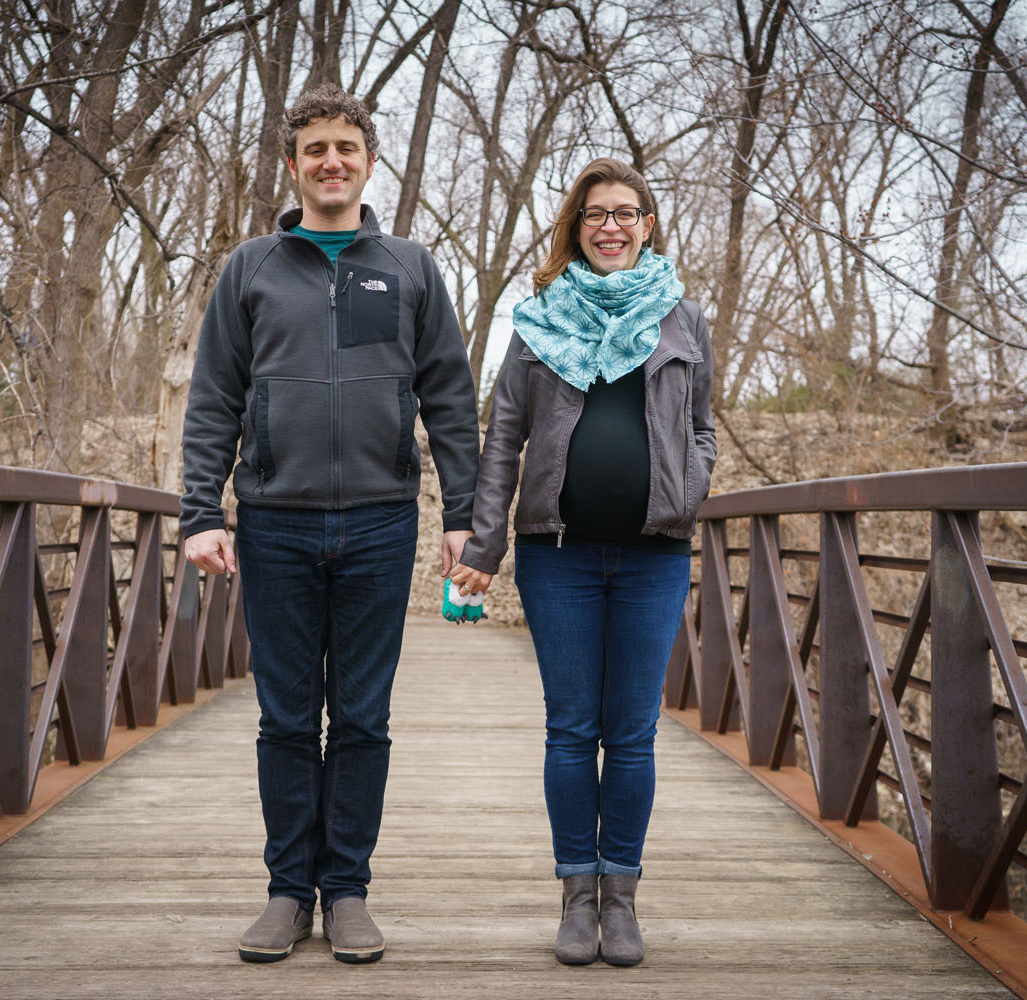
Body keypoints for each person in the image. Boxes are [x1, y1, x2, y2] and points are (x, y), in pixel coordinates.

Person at [180, 84, 479, 965]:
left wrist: (461, 515)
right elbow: (213, 402)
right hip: (274, 523)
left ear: (369, 161)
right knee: (283, 718)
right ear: (293, 165)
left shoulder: (411, 268)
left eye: (346, 147)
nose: (331, 162)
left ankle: (346, 890)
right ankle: (286, 890)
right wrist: (202, 512)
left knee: (361, 718)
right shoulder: (251, 270)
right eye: (315, 149)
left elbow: (450, 400)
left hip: (382, 524)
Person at [449, 157, 717, 967]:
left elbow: (703, 426)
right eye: (595, 213)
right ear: (576, 226)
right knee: (571, 730)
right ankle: (575, 896)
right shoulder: (536, 322)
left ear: (647, 224)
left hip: (655, 557)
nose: (611, 226)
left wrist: (690, 487)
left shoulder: (682, 319)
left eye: (625, 213)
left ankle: (621, 898)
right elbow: (502, 441)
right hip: (555, 559)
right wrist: (483, 544)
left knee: (631, 734)